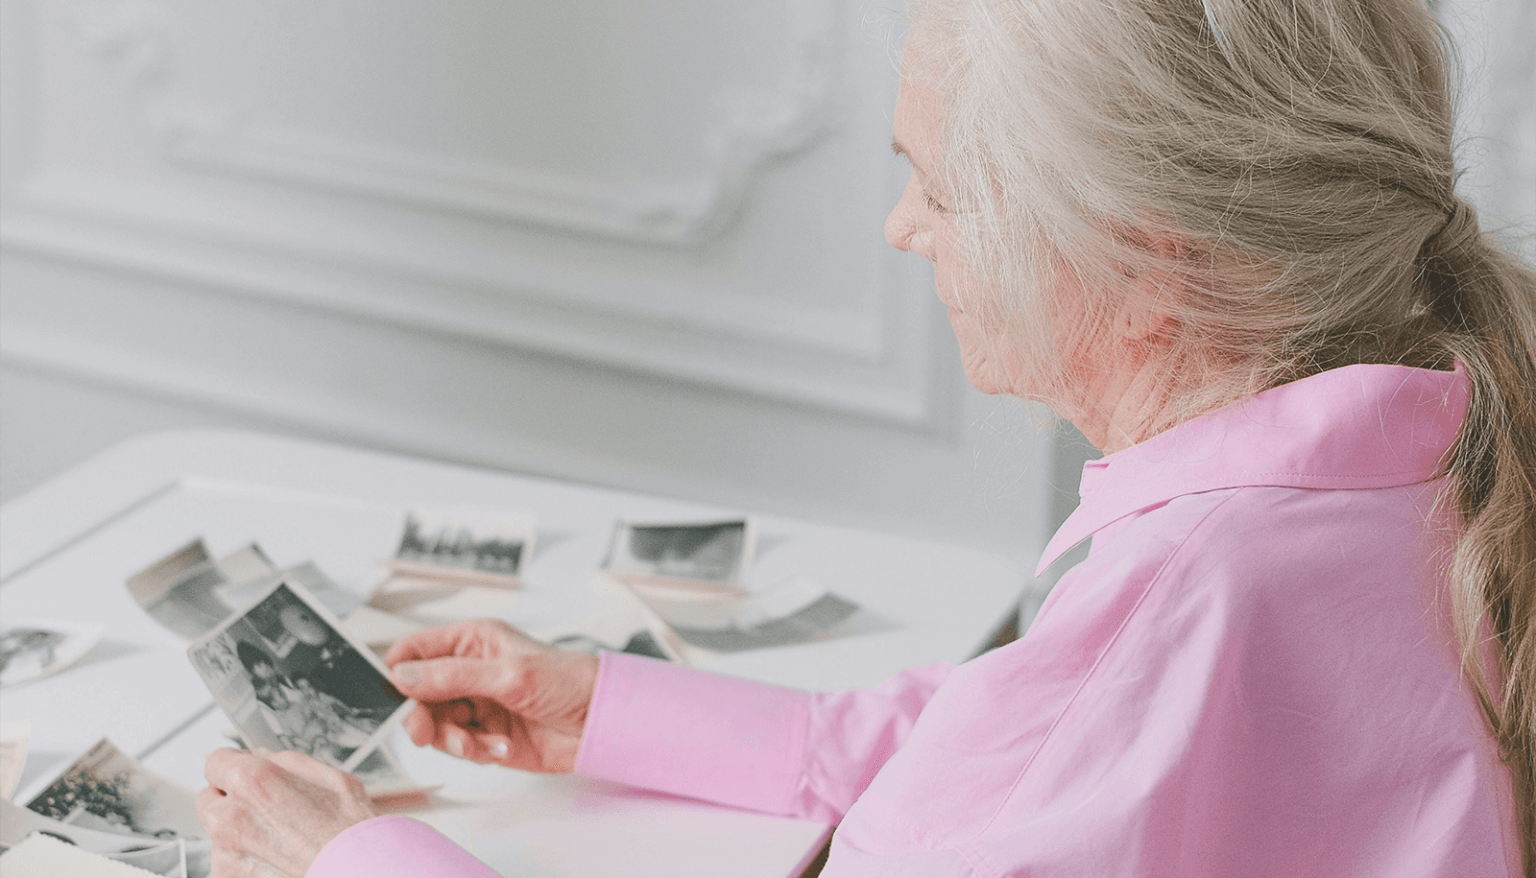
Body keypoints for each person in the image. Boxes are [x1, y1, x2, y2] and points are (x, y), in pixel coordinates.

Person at [195, 0, 1536, 875]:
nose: (905, 230)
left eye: (936, 186)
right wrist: (617, 711)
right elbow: (1017, 751)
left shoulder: (1170, 610)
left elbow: (1052, 739)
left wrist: (355, 856)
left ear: (1145, 263)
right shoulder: (1425, 454)